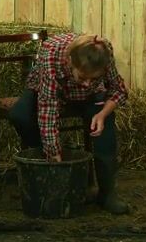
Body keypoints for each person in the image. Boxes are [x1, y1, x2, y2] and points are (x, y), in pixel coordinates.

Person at [7, 32, 130, 215]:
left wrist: (102, 114)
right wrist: (54, 152)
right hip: (51, 90)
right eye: (83, 77)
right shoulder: (51, 55)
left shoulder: (103, 52)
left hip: (89, 98)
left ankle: (107, 194)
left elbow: (119, 89)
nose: (87, 83)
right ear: (70, 62)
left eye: (93, 78)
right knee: (20, 115)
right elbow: (48, 108)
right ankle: (45, 167)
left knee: (105, 128)